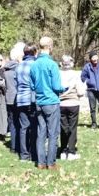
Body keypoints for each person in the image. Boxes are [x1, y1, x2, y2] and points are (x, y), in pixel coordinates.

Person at [30, 37, 66, 170]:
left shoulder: (34, 65)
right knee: (53, 133)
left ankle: (40, 163)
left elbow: (32, 86)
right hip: (51, 101)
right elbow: (56, 86)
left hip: (39, 102)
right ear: (50, 47)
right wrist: (64, 88)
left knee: (41, 133)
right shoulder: (52, 65)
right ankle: (51, 163)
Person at [59, 55, 86, 160]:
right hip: (73, 103)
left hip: (61, 103)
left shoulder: (58, 74)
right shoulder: (75, 75)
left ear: (61, 64)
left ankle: (63, 151)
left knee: (63, 128)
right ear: (71, 64)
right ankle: (71, 151)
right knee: (72, 128)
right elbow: (80, 91)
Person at [15, 43, 38, 162]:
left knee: (23, 127)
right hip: (32, 99)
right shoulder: (35, 65)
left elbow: (15, 83)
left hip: (20, 99)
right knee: (33, 127)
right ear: (34, 52)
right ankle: (33, 153)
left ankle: (24, 155)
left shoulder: (18, 66)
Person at [4, 43, 25, 154]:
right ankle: (20, 145)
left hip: (8, 99)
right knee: (20, 123)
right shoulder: (19, 69)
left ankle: (13, 146)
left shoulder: (6, 69)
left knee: (12, 122)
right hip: (18, 98)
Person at [81, 51, 99, 129]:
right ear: (90, 59)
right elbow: (83, 77)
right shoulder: (87, 67)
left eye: (96, 57)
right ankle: (94, 124)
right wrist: (88, 81)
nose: (95, 59)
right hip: (91, 90)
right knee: (92, 108)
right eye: (93, 58)